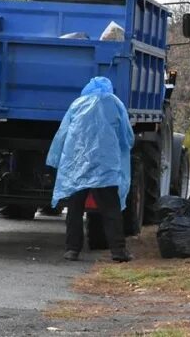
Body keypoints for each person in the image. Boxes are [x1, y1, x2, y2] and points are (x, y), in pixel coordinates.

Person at [46, 76, 134, 263]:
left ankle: (72, 249)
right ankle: (118, 251)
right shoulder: (115, 103)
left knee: (75, 208)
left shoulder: (77, 104)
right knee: (111, 209)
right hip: (105, 166)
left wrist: (54, 159)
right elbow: (127, 135)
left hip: (78, 165)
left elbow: (62, 133)